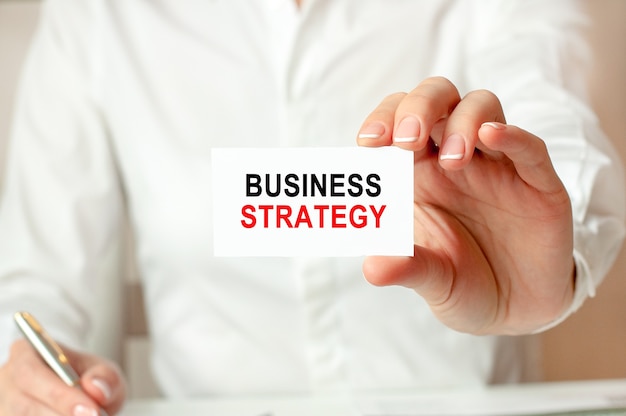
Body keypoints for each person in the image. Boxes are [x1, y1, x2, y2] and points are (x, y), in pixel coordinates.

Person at [0, 0, 624, 415]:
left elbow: (551, 115)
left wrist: (560, 254)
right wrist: (32, 370)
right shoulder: (96, 17)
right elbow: (45, 283)